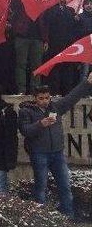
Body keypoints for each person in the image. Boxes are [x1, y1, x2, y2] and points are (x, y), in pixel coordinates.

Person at [18, 73, 92, 218]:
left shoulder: (56, 107)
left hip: (57, 153)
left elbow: (72, 98)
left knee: (65, 186)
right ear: (34, 98)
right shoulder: (26, 111)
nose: (45, 101)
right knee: (41, 187)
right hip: (39, 153)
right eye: (41, 98)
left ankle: (68, 215)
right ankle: (41, 219)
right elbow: (25, 130)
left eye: (47, 98)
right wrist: (41, 124)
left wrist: (87, 83)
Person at [10, 0, 47, 94]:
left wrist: (45, 40)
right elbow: (13, 1)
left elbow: (45, 23)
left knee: (37, 66)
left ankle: (35, 90)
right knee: (21, 64)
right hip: (22, 37)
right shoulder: (21, 3)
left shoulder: (41, 3)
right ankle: (21, 90)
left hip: (38, 39)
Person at [42, 0, 78, 95]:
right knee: (55, 69)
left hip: (67, 45)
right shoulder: (51, 10)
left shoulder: (70, 11)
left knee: (67, 69)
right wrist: (46, 41)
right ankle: (55, 92)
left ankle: (66, 92)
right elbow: (47, 25)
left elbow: (73, 28)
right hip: (54, 44)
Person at [76, 0, 92, 81]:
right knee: (85, 71)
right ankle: (82, 92)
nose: (89, 5)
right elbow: (78, 33)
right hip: (84, 47)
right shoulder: (79, 17)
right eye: (87, 4)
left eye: (90, 4)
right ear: (83, 6)